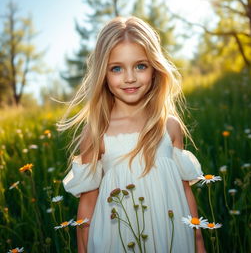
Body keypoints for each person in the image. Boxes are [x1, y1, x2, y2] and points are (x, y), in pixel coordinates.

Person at [58, 16, 206, 253]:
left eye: (140, 66)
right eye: (117, 68)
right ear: (103, 74)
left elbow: (185, 190)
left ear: (155, 68)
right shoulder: (97, 132)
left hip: (172, 238)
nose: (130, 77)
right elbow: (87, 203)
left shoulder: (169, 126)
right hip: (118, 240)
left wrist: (198, 243)